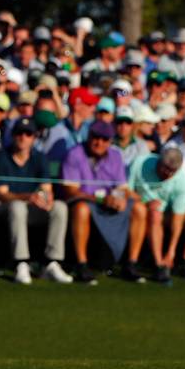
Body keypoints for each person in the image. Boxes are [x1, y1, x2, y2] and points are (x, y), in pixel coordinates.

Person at [0, 116, 73, 284]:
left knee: (59, 207)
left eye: (28, 134)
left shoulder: (40, 157)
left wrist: (46, 199)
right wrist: (28, 197)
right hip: (7, 209)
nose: (23, 137)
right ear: (13, 135)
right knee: (17, 207)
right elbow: (2, 194)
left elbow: (46, 188)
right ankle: (21, 263)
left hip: (33, 208)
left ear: (34, 138)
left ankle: (52, 262)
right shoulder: (2, 158)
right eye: (20, 133)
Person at [60, 121, 132, 284]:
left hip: (107, 203)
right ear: (89, 136)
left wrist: (119, 198)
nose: (99, 143)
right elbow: (71, 191)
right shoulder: (75, 154)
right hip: (85, 202)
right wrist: (102, 199)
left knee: (139, 208)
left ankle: (131, 264)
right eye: (95, 138)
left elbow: (122, 187)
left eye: (104, 139)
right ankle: (81, 264)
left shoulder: (115, 156)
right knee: (81, 209)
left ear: (110, 142)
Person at [126, 148, 185, 284]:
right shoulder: (140, 163)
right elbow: (126, 190)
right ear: (159, 162)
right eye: (164, 169)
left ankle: (169, 261)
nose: (167, 174)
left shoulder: (182, 181)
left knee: (159, 215)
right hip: (140, 208)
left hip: (165, 214)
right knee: (153, 214)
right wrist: (144, 201)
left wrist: (171, 251)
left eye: (172, 172)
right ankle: (158, 264)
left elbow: (178, 219)